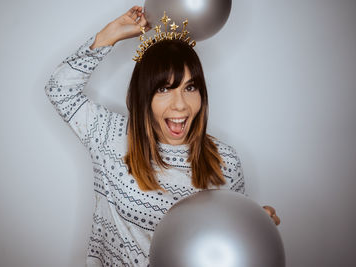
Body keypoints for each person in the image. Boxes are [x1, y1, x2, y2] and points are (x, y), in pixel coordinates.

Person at [45, 6, 280, 267]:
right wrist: (109, 34)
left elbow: (225, 245)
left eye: (190, 87)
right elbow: (59, 89)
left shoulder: (226, 162)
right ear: (143, 96)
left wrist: (252, 225)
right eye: (165, 89)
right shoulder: (109, 136)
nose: (180, 105)